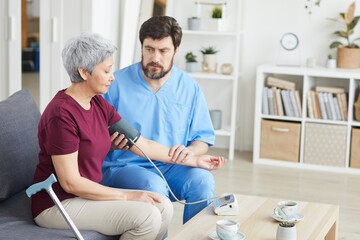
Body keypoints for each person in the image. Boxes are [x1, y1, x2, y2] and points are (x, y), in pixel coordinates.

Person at [31, 32, 224, 240]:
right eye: (106, 71)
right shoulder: (62, 114)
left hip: (85, 195)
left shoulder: (98, 103)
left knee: (163, 206)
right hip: (59, 203)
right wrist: (128, 195)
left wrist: (194, 159)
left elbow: (143, 144)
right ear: (84, 72)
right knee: (147, 216)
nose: (112, 77)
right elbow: (71, 183)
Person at [101, 16, 218, 223]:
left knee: (202, 180)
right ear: (142, 47)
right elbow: (92, 135)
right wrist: (107, 144)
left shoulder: (189, 87)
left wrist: (190, 151)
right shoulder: (114, 83)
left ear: (176, 50)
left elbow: (202, 139)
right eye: (149, 49)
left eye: (163, 51)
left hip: (172, 166)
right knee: (154, 187)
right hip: (125, 167)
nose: (155, 57)